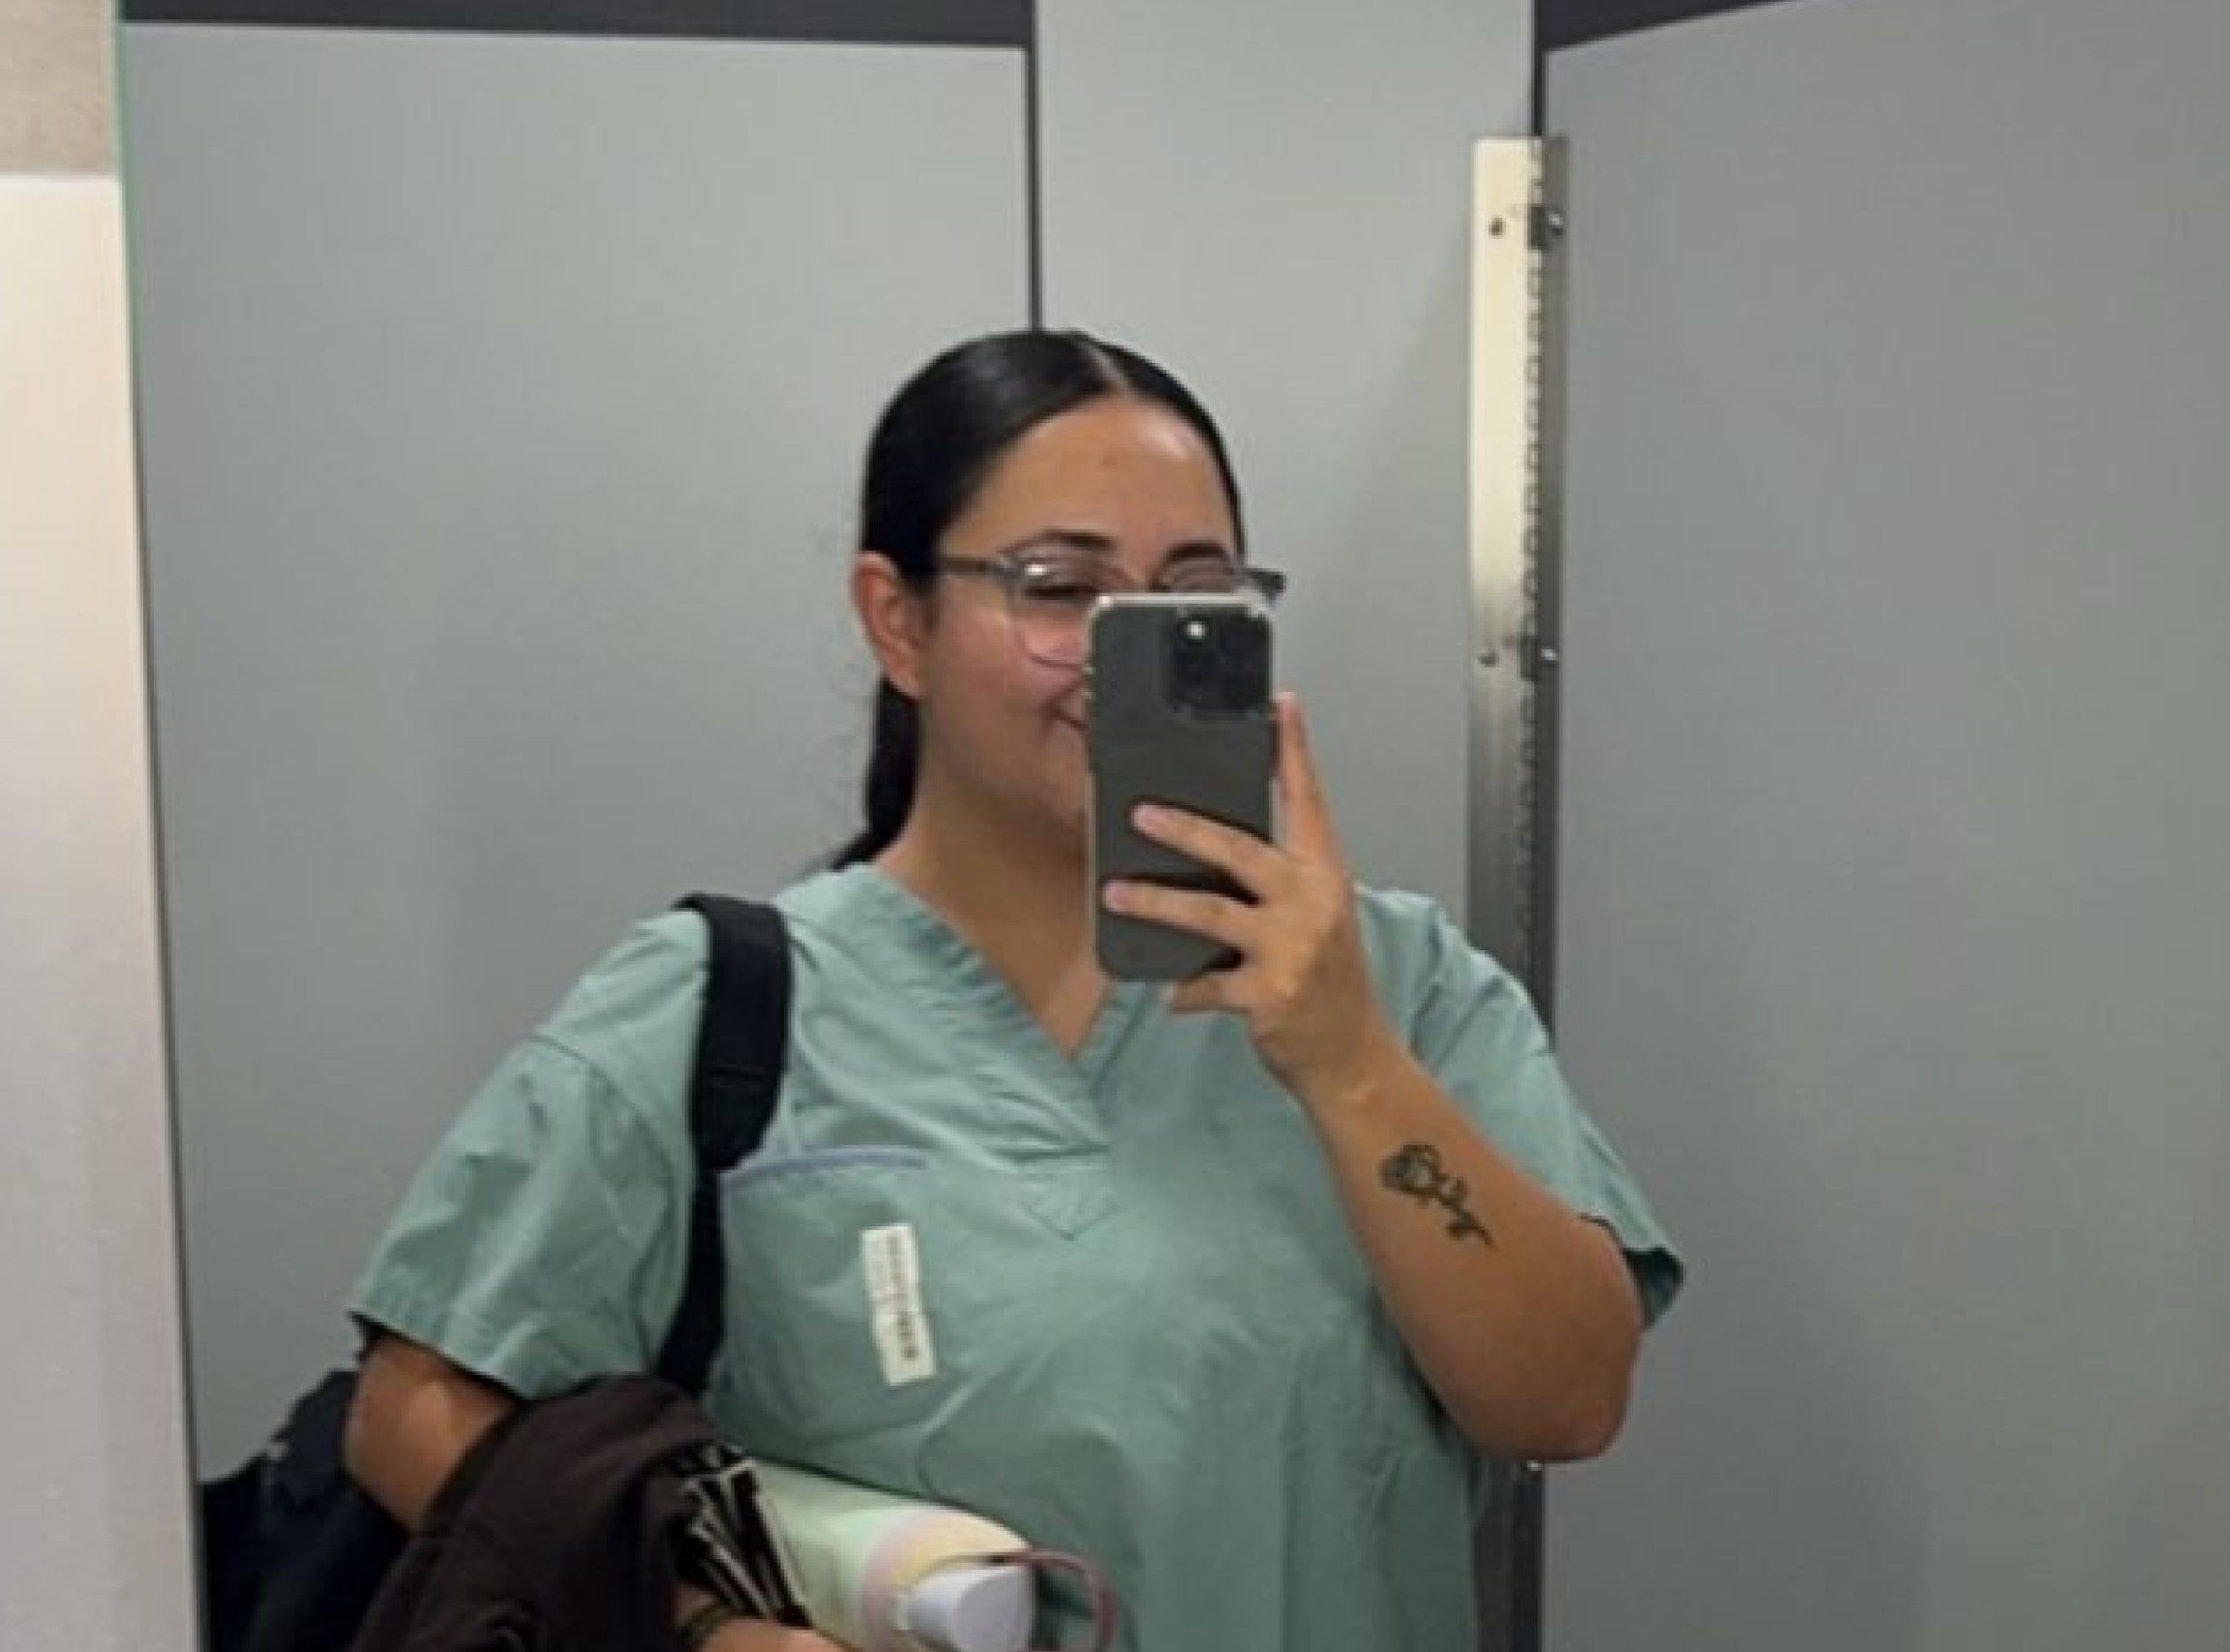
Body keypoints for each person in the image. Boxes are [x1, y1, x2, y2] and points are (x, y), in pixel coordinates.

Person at [343, 328, 1684, 1651]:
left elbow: (1566, 1402)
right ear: (898, 620)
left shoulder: (1402, 991)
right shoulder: (727, 1012)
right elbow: (413, 1408)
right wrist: (712, 1630)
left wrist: (1348, 1066)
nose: (1120, 647)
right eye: (1058, 586)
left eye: (1191, 592)